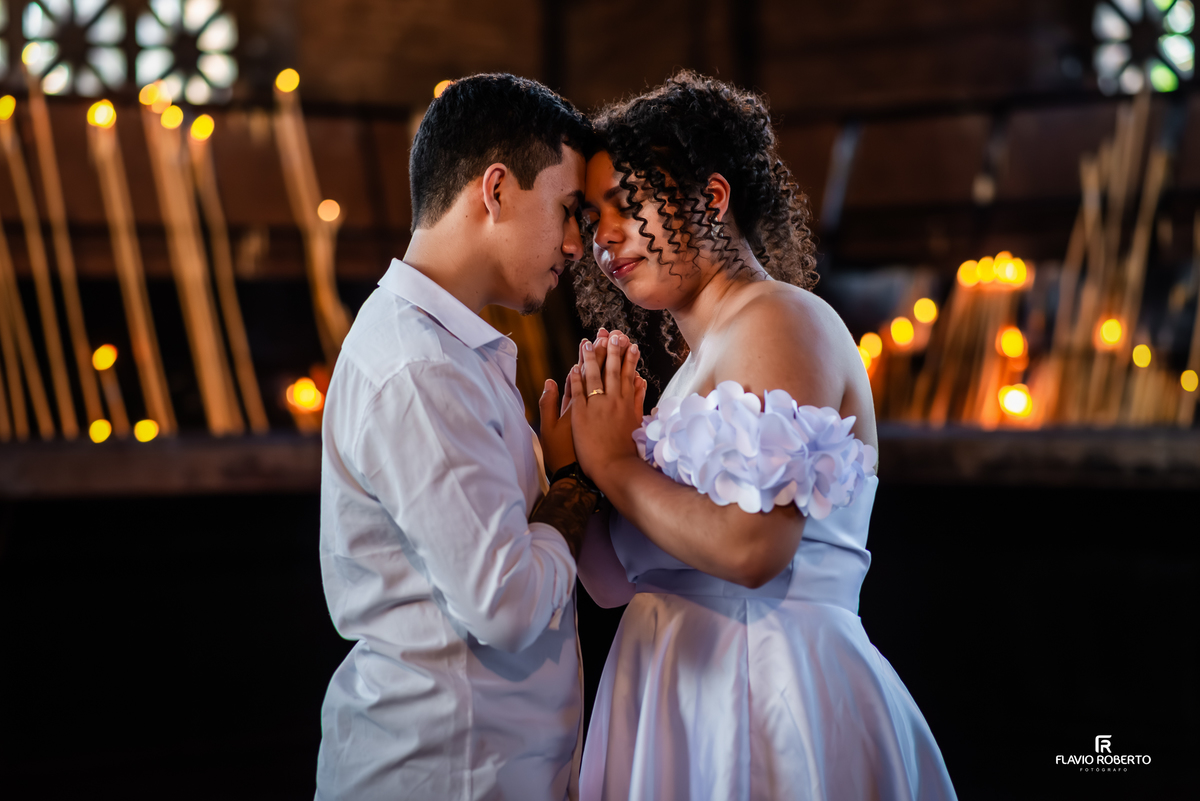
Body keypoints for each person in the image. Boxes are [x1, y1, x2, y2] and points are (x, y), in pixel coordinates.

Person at [565, 72, 958, 800]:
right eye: (591, 218)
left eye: (627, 203)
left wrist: (614, 461)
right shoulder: (691, 368)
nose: (605, 237)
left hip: (764, 690)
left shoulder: (779, 319)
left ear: (712, 199)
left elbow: (752, 549)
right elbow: (613, 581)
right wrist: (565, 459)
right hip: (673, 693)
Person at [315, 73, 604, 801]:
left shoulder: (450, 351)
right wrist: (576, 480)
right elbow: (505, 604)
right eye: (568, 211)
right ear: (497, 189)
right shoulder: (420, 367)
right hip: (444, 770)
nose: (577, 245)